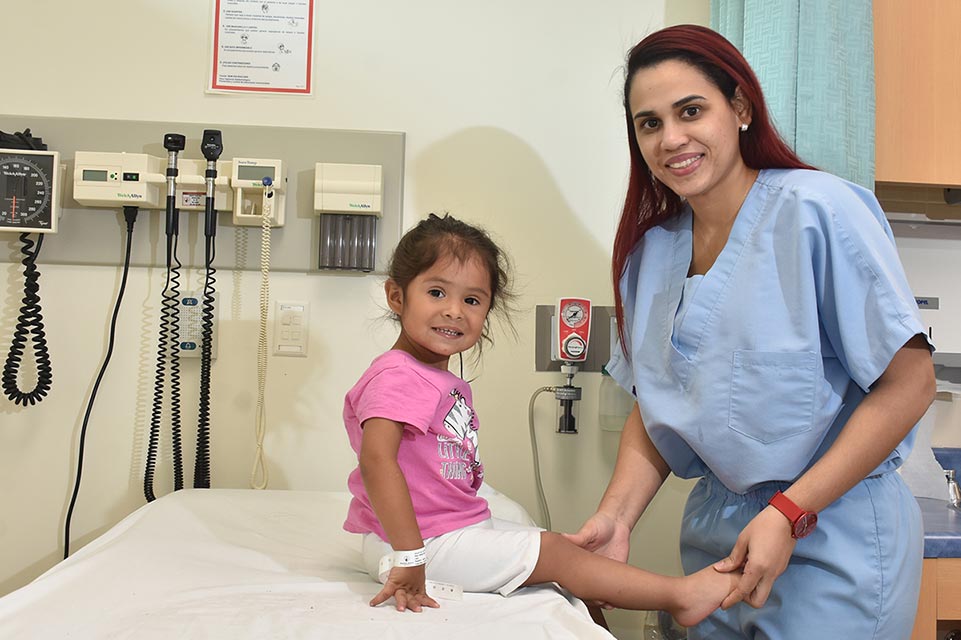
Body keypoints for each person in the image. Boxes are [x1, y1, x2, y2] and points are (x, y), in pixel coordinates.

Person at [565, 24, 937, 639]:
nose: (671, 139)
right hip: (717, 537)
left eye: (691, 111)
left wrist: (789, 512)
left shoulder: (818, 212)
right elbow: (656, 405)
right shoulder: (649, 256)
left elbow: (910, 384)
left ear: (739, 107)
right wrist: (616, 516)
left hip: (832, 529)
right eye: (649, 123)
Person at [342, 212, 739, 624]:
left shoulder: (431, 375)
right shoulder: (398, 375)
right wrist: (410, 556)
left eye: (472, 300)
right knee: (555, 555)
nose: (455, 311)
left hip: (440, 531)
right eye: (437, 292)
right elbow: (376, 460)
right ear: (396, 297)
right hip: (413, 543)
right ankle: (680, 595)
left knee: (560, 555)